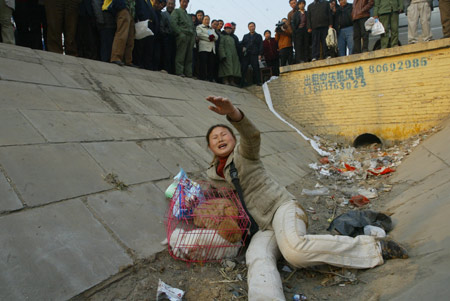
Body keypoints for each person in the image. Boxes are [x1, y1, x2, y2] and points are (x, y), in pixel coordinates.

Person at [204, 95, 409, 301]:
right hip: (262, 228)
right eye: (215, 138)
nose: (220, 139)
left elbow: (251, 135)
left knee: (294, 252)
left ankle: (374, 248)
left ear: (234, 138)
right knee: (257, 258)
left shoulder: (244, 153)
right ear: (210, 147)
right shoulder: (213, 176)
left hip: (282, 208)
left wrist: (233, 114)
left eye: (224, 134)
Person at [103, 0, 136, 66]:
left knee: (130, 38)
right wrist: (121, 7)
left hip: (131, 11)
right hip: (123, 8)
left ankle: (128, 60)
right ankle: (116, 57)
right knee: (122, 34)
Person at [170, 0, 195, 77]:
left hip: (190, 37)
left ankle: (188, 73)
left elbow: (192, 27)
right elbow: (173, 23)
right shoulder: (176, 11)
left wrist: (194, 35)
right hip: (182, 35)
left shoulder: (188, 15)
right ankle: (179, 71)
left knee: (189, 56)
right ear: (180, 2)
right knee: (181, 54)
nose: (185, 4)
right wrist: (180, 33)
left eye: (186, 2)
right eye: (183, 2)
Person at [134, 0, 159, 70]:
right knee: (140, 46)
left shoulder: (149, 3)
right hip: (142, 25)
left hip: (150, 28)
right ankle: (138, 63)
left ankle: (147, 64)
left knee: (148, 47)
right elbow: (139, 11)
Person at [240, 22, 263, 86]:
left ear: (255, 27)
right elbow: (242, 44)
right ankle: (242, 82)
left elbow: (261, 45)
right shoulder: (245, 36)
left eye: (253, 26)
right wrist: (243, 48)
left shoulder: (258, 36)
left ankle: (258, 81)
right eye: (250, 26)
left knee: (256, 68)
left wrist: (260, 54)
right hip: (246, 54)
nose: (252, 28)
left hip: (254, 54)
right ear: (248, 28)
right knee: (244, 68)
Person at [196, 15, 218, 81]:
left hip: (211, 49)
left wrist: (211, 38)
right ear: (202, 20)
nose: (207, 21)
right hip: (203, 47)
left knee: (210, 64)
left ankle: (209, 78)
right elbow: (200, 35)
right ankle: (202, 77)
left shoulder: (211, 29)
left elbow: (216, 37)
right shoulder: (200, 27)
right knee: (203, 63)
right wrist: (210, 38)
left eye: (208, 20)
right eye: (205, 19)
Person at [160, 0, 176, 73]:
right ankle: (164, 68)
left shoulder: (176, 15)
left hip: (174, 38)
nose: (170, 5)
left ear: (174, 5)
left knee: (172, 55)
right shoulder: (163, 14)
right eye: (169, 4)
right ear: (166, 4)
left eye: (172, 4)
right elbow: (161, 26)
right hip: (166, 37)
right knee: (165, 54)